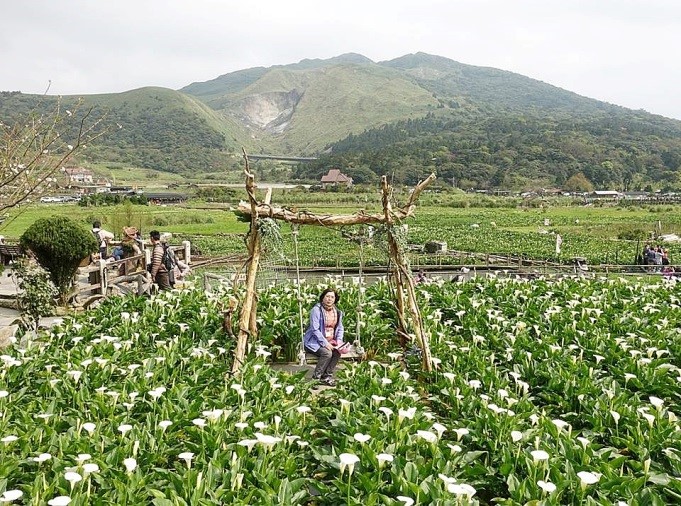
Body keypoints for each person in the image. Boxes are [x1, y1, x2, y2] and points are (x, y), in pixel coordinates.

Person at [303, 288, 345, 386]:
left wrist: (339, 342)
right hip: (314, 342)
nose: (329, 299)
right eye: (327, 296)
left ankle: (326, 376)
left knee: (337, 352)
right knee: (327, 353)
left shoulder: (338, 312)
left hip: (331, 341)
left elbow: (340, 328)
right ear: (322, 298)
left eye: (332, 297)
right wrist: (325, 343)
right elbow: (314, 329)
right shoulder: (316, 310)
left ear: (335, 299)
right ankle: (315, 378)